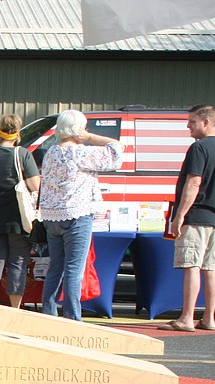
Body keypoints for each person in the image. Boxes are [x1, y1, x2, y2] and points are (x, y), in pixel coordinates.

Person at [38, 109, 122, 320]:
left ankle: (48, 312)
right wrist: (92, 137)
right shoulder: (80, 152)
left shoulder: (51, 152)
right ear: (79, 129)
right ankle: (72, 317)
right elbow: (116, 151)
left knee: (55, 267)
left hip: (52, 216)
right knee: (75, 269)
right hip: (77, 215)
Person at [160, 105, 215, 332]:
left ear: (206, 123)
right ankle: (209, 317)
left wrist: (179, 216)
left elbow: (193, 182)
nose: (188, 126)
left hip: (197, 215)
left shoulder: (198, 148)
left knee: (191, 265)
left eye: (192, 121)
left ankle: (186, 318)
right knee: (210, 268)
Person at [0, 115, 41, 307]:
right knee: (18, 260)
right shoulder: (23, 154)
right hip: (18, 215)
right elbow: (34, 185)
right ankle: (14, 310)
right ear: (18, 133)